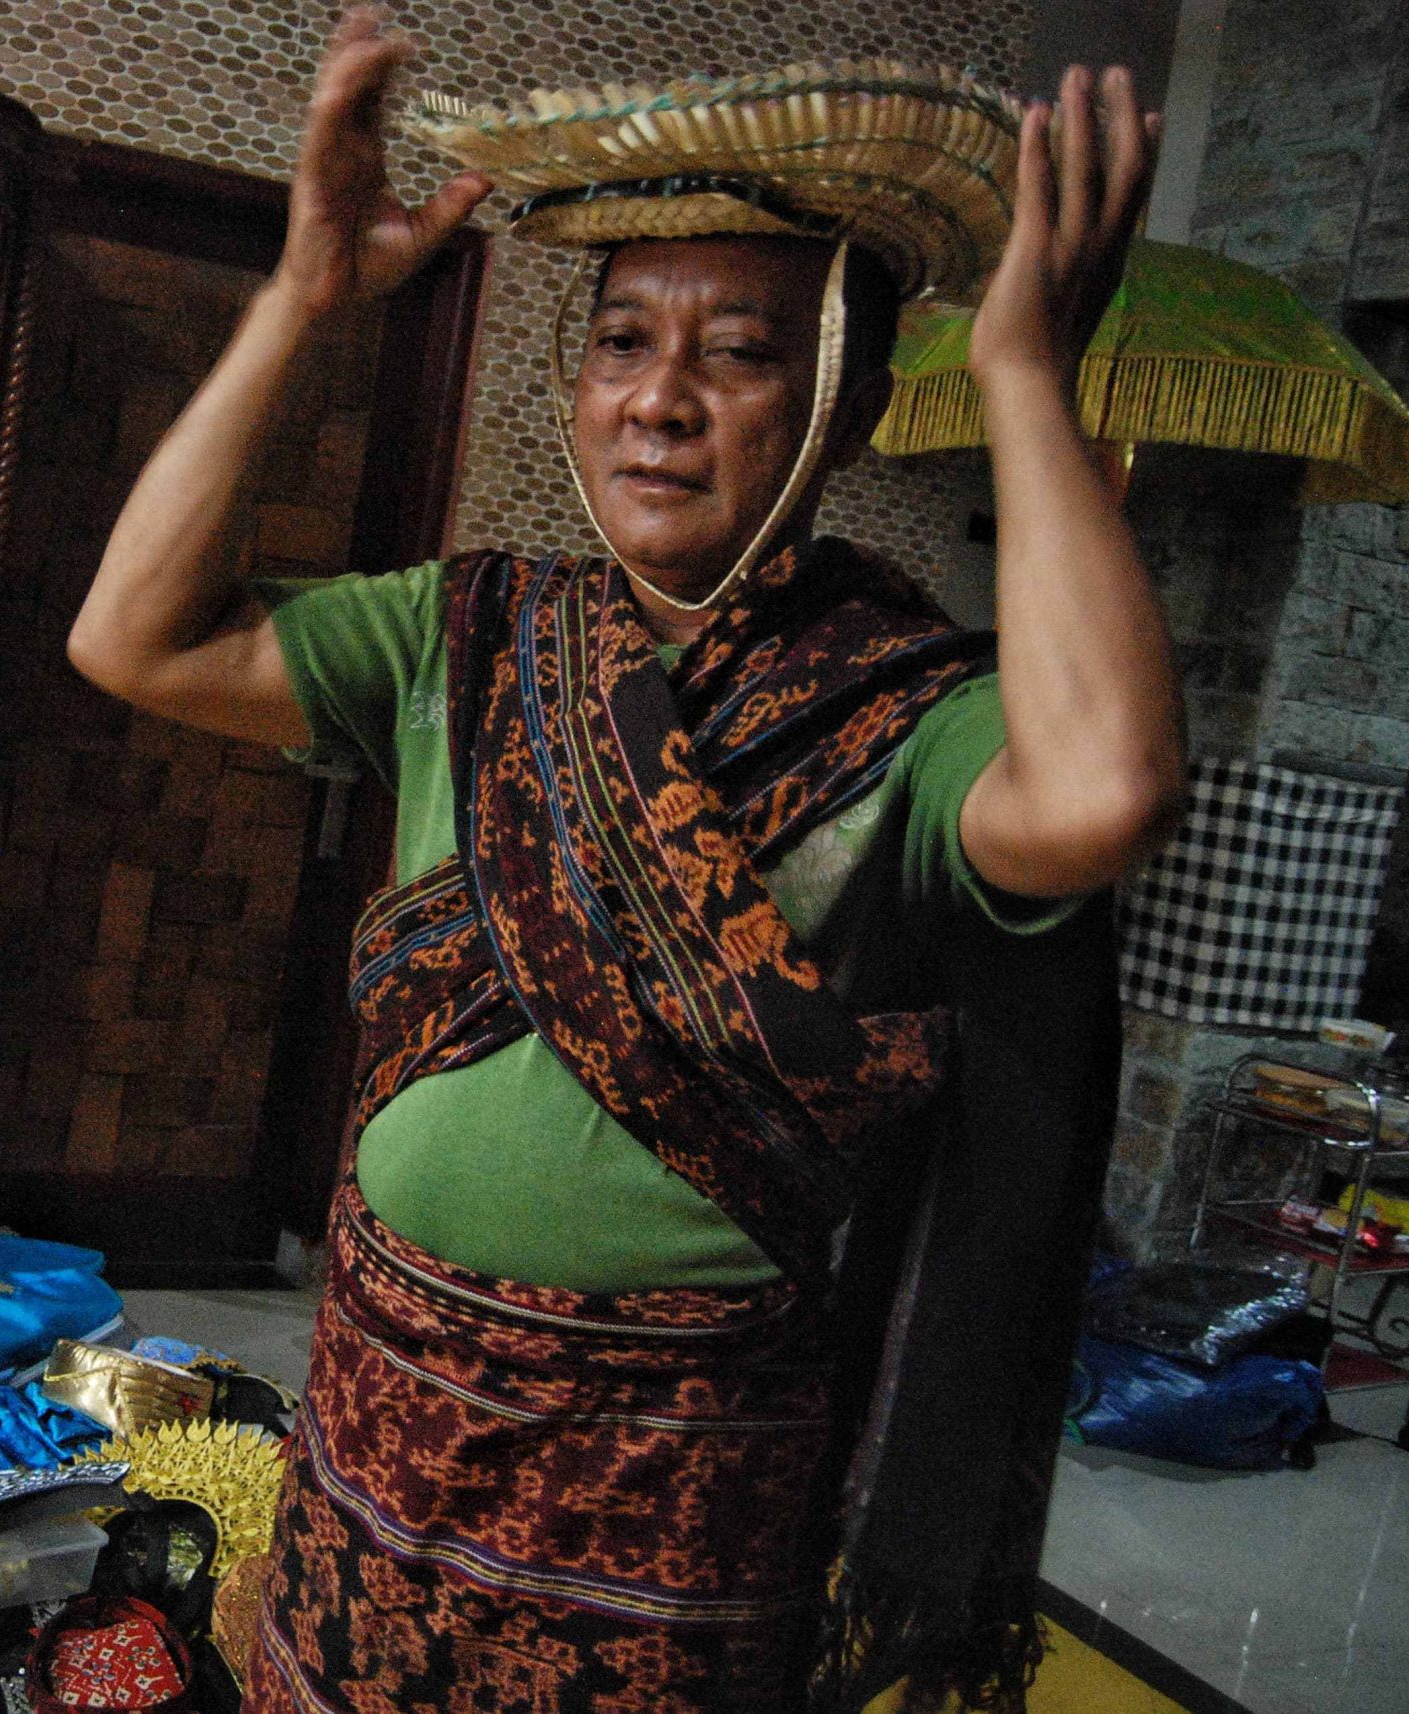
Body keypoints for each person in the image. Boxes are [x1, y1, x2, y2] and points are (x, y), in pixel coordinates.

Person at [70, 11, 1182, 1713]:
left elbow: (1105, 788)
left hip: (674, 1504)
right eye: (619, 342)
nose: (658, 399)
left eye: (736, 351)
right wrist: (301, 293)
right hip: (379, 1426)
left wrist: (1026, 371)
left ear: (849, 402)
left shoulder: (919, 716)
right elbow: (131, 635)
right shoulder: (472, 638)